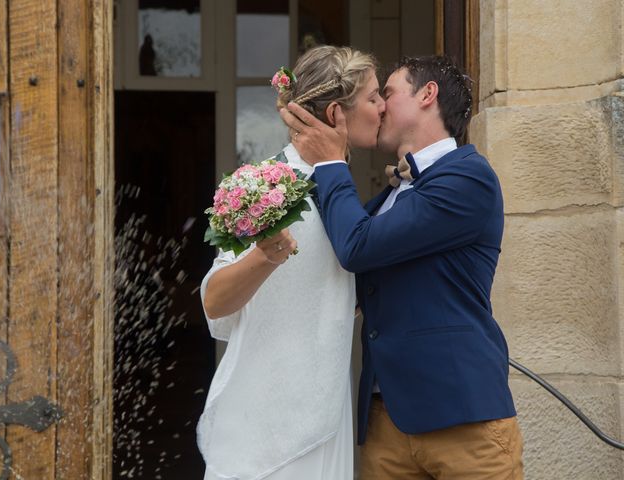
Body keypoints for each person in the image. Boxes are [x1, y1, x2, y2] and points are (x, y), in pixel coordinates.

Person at [281, 55, 524, 479]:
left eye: (387, 94)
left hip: (461, 418)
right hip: (384, 421)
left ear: (427, 95)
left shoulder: (469, 177)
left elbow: (357, 248)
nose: (378, 107)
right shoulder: (393, 192)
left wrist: (331, 163)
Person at [197, 45, 385, 480]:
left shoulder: (341, 188)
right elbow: (214, 300)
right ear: (337, 113)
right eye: (374, 97)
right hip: (268, 421)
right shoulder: (269, 188)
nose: (383, 107)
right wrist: (265, 256)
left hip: (324, 408)